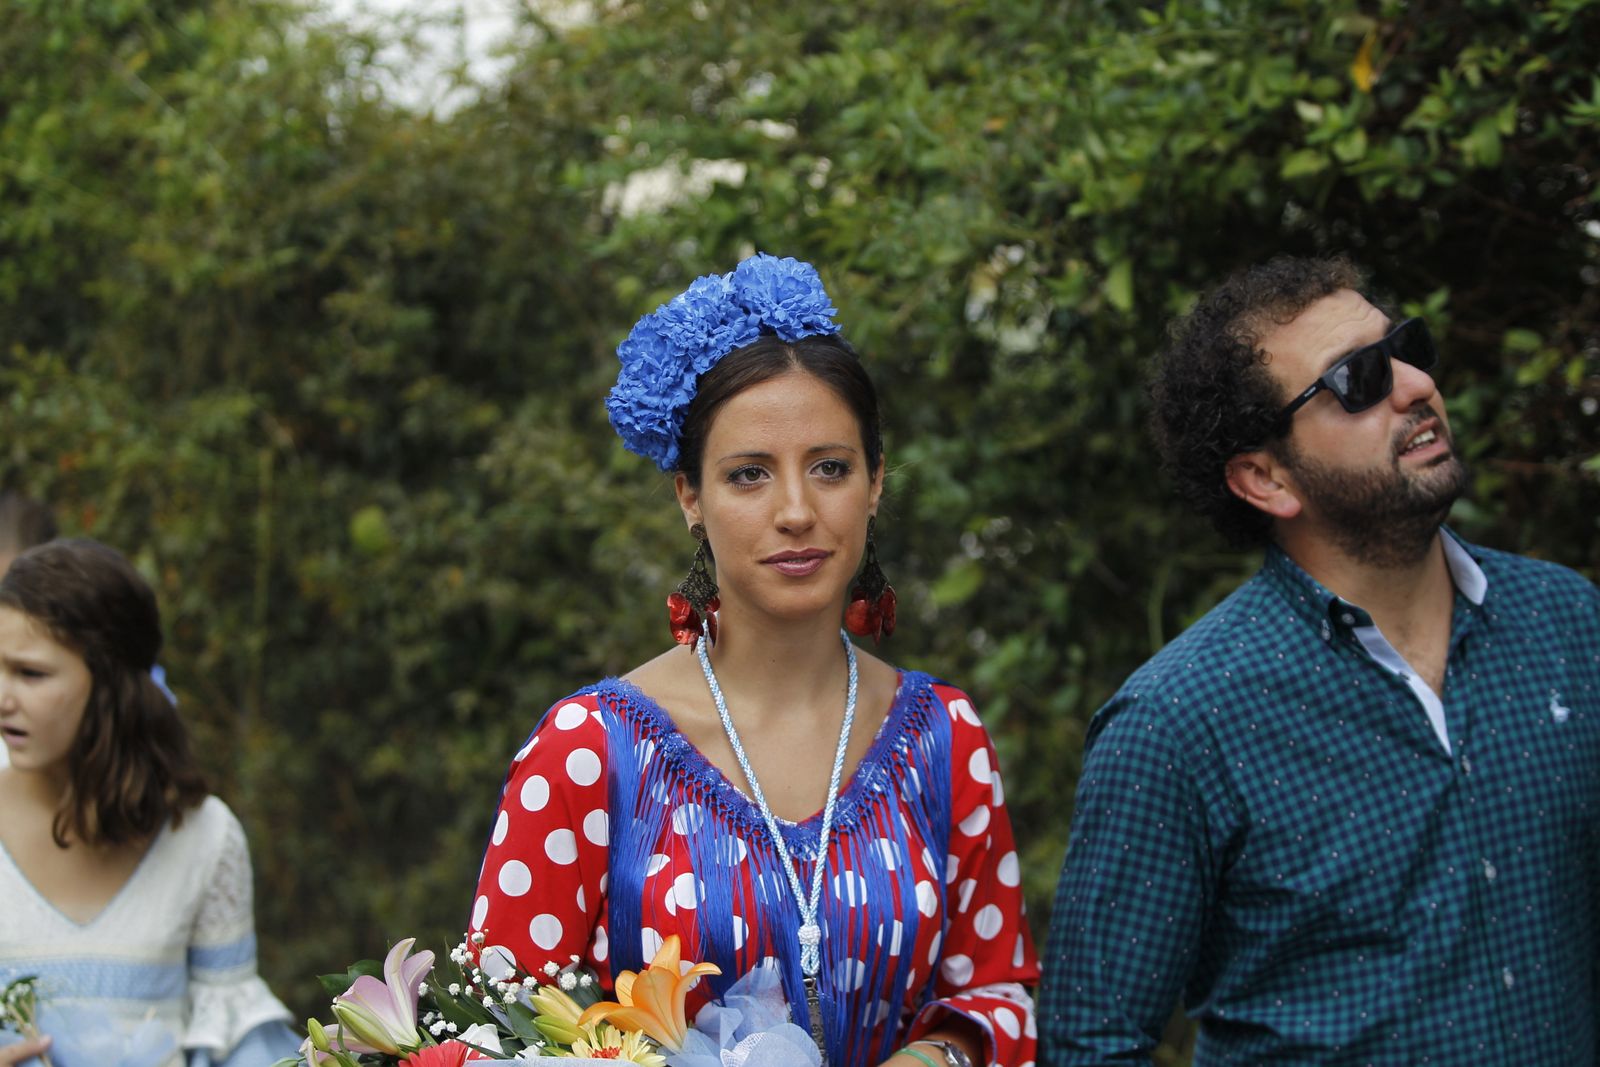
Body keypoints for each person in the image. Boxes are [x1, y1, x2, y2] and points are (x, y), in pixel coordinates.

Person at [468, 254, 1039, 1067]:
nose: (797, 511)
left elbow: (999, 995)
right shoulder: (589, 749)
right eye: (748, 475)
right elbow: (489, 1026)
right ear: (690, 497)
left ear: (876, 482)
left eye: (831, 468)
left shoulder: (943, 738)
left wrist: (936, 1057)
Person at [1037, 255, 1600, 1064]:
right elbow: (1092, 1041)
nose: (1411, 384)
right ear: (1265, 478)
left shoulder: (1569, 624)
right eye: (1358, 378)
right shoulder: (1179, 724)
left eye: (1403, 347)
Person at [0, 539, 301, 1067]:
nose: (3, 696)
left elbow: (235, 1040)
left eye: (30, 674)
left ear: (109, 684)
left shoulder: (204, 838)